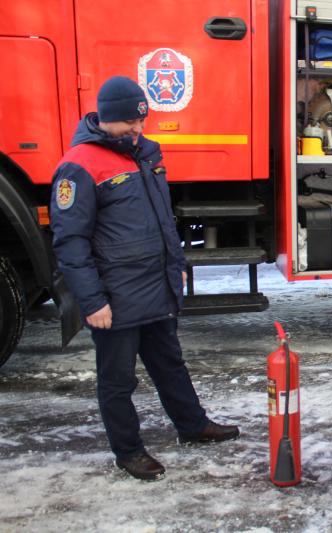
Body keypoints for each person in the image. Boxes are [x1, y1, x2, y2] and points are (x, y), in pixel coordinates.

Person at [50, 76, 239, 481]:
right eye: (128, 123)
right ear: (104, 118)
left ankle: (192, 425)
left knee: (170, 363)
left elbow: (163, 223)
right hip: (114, 297)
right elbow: (70, 242)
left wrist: (176, 269)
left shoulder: (145, 154)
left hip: (154, 285)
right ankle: (129, 450)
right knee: (117, 379)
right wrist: (91, 301)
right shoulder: (79, 164)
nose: (137, 129)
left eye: (141, 120)